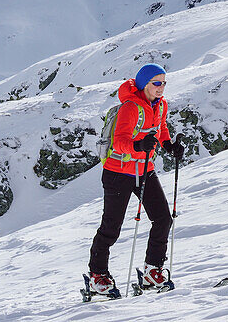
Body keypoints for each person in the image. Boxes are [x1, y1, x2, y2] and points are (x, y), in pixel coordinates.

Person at [87, 63, 186, 294]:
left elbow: (160, 128)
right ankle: (97, 275)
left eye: (163, 83)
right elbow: (119, 140)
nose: (161, 88)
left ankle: (153, 270)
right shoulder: (130, 108)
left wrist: (169, 145)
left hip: (144, 169)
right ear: (144, 84)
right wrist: (138, 145)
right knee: (111, 228)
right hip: (117, 171)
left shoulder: (161, 105)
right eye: (156, 83)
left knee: (163, 218)